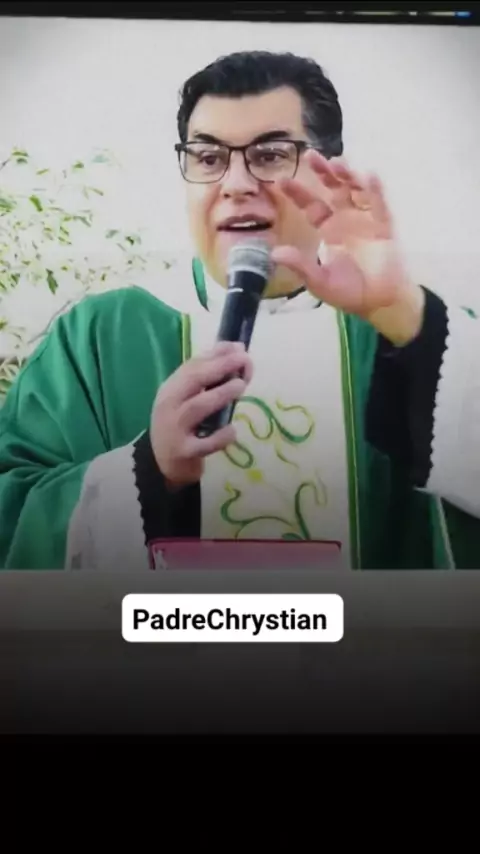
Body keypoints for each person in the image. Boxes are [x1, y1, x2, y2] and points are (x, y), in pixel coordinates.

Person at [0, 50, 479, 571]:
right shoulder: (100, 335)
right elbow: (13, 514)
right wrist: (146, 471)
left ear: (328, 174)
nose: (236, 183)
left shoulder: (408, 331)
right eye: (208, 159)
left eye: (270, 155)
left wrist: (400, 311)